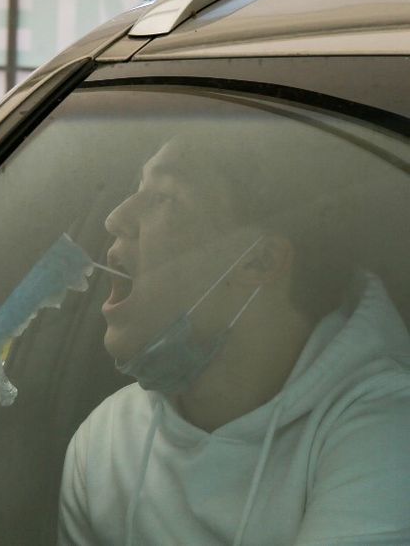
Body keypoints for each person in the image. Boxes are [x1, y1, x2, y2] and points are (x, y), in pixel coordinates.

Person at [58, 123, 410, 545]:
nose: (114, 219)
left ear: (259, 261)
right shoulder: (104, 442)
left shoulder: (385, 437)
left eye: (162, 197)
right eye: (136, 188)